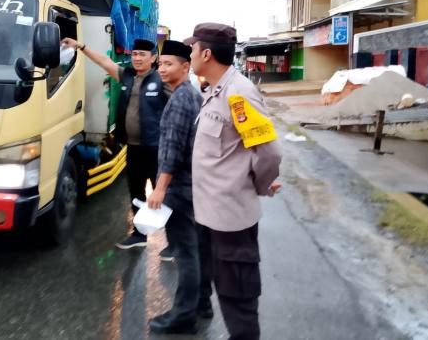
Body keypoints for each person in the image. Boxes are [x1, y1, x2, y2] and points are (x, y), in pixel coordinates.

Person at [186, 22, 282, 340]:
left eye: (193, 48)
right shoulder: (215, 91)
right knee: (223, 289)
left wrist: (256, 185)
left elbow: (268, 152)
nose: (190, 53)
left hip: (231, 218)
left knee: (237, 296)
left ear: (207, 53)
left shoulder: (238, 94)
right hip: (212, 215)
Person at [61, 36, 170, 250]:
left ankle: (175, 242)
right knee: (136, 191)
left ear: (153, 58)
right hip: (133, 148)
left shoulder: (161, 79)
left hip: (156, 148)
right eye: (135, 54)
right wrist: (81, 46)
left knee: (165, 194)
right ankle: (139, 234)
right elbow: (105, 62)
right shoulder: (127, 76)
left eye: (142, 55)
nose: (137, 58)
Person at [146, 40, 202, 335]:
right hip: (191, 186)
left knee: (185, 252)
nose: (162, 69)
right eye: (161, 64)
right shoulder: (191, 94)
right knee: (194, 249)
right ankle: (199, 305)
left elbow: (173, 148)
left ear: (185, 66)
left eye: (169, 64)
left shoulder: (181, 98)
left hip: (179, 189)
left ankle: (183, 316)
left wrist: (159, 188)